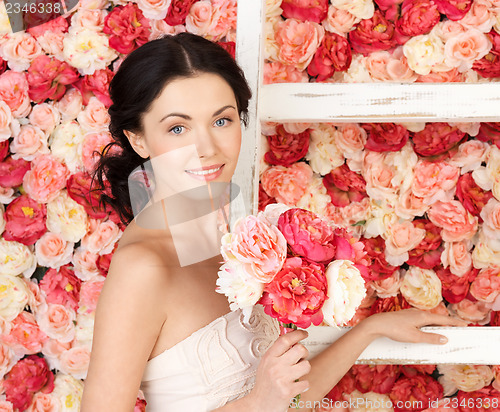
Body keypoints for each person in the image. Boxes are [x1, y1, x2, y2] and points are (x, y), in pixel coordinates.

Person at [81, 32, 467, 412]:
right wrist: (255, 403)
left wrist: (369, 331)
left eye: (221, 121)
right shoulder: (142, 268)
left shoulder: (233, 235)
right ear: (139, 140)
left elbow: (285, 398)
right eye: (177, 128)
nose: (207, 148)